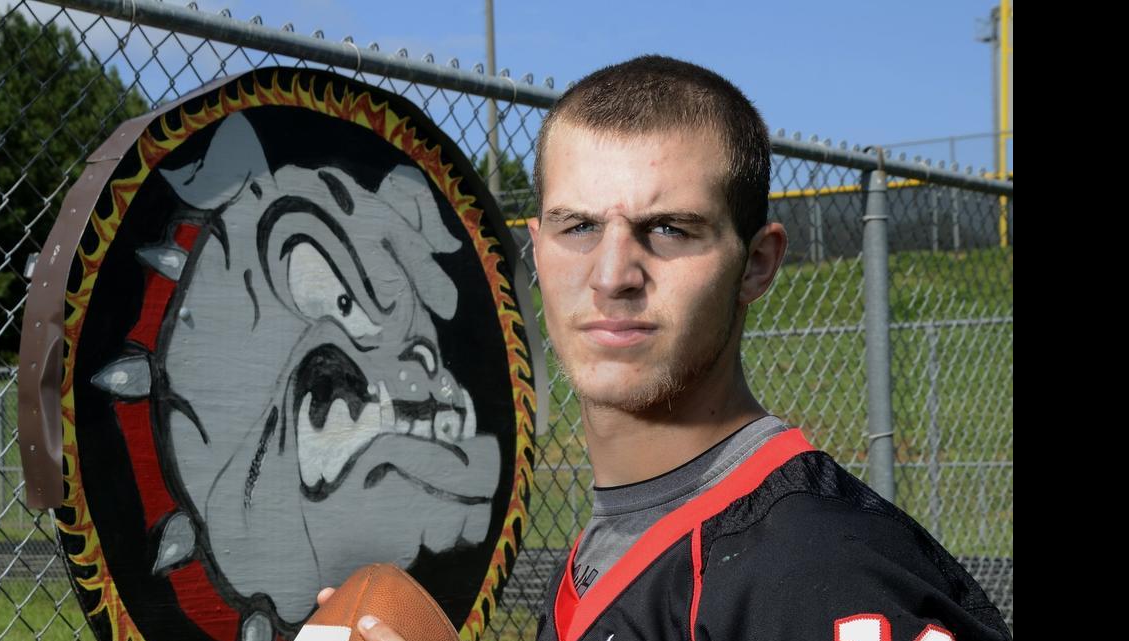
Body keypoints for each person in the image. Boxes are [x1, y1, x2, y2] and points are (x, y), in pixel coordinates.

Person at [321, 54, 1013, 641]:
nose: (612, 274)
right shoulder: (617, 537)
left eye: (670, 229)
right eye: (578, 227)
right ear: (535, 248)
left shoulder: (821, 571)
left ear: (758, 263)